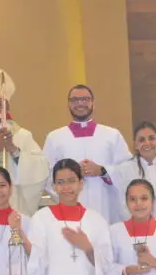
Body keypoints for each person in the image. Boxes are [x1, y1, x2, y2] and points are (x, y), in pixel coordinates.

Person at [43, 85, 132, 224]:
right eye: (75, 100)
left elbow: (127, 169)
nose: (80, 103)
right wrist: (71, 176)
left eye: (85, 99)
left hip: (105, 208)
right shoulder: (54, 138)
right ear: (68, 104)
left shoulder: (112, 135)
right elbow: (46, 175)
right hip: (70, 210)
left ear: (93, 103)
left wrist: (103, 171)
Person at [0, 68, 49, 215]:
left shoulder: (23, 136)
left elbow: (41, 170)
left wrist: (14, 150)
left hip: (15, 207)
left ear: (8, 107)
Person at [111, 122, 156, 220]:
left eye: (151, 138)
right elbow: (121, 204)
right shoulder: (124, 169)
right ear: (135, 145)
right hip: (137, 227)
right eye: (141, 140)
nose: (147, 143)